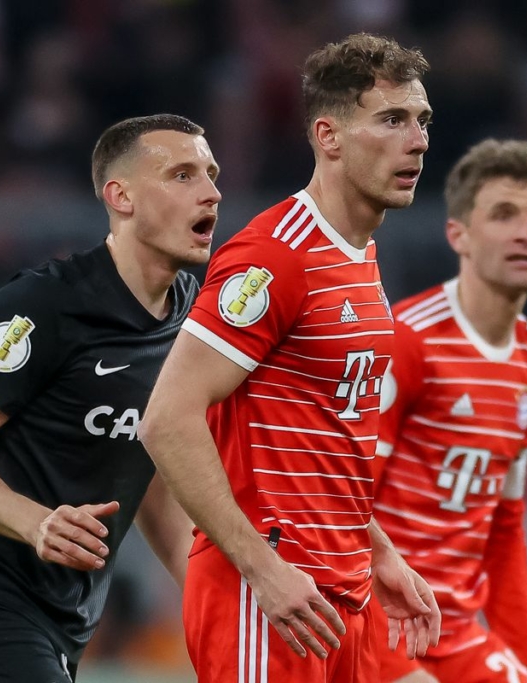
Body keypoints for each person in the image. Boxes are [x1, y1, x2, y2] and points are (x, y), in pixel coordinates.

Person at [139, 33, 441, 683]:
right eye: (391, 120)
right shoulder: (275, 257)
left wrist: (380, 551)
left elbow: (328, 439)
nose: (416, 139)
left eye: (421, 121)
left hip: (342, 591)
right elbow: (167, 417)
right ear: (328, 136)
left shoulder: (358, 254)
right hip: (271, 600)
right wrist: (261, 568)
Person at [0, 113, 221, 682]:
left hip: (68, 621)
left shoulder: (190, 318)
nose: (210, 192)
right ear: (120, 196)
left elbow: (150, 474)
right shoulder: (43, 307)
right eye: (181, 175)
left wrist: (214, 604)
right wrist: (36, 523)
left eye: (211, 174)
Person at [369, 139, 527, 683]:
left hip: (455, 635)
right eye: (504, 214)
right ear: (460, 235)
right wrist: (389, 666)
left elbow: (503, 531)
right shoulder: (409, 341)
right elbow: (343, 504)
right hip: (374, 626)